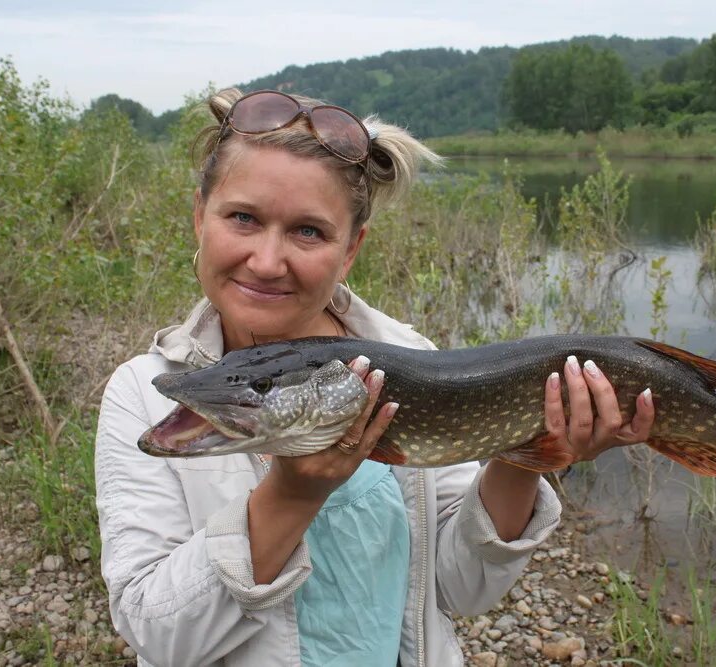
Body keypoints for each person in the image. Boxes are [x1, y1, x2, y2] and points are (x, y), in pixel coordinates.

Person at [94, 88, 656, 667]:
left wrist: (521, 454)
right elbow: (158, 637)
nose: (266, 260)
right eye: (243, 217)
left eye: (308, 231)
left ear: (351, 249)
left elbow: (462, 589)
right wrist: (291, 496)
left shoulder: (413, 359)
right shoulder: (141, 392)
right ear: (199, 218)